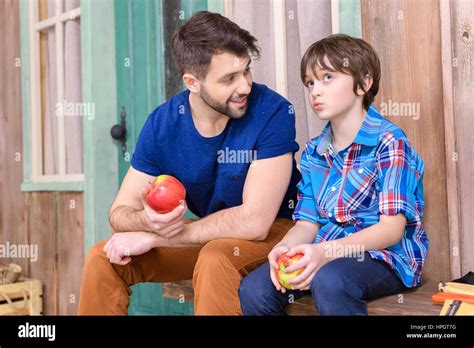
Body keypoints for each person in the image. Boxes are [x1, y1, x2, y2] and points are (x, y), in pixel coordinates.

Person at [77, 11, 301, 315]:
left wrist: (155, 237)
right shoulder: (163, 124)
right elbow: (119, 213)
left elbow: (255, 222)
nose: (246, 86)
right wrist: (148, 222)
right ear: (192, 82)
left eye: (246, 71)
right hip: (208, 235)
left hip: (279, 231)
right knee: (103, 257)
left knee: (215, 257)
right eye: (229, 79)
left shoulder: (273, 112)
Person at [239, 34, 428, 316]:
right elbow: (308, 224)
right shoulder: (314, 151)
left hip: (384, 257)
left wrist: (326, 253)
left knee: (331, 281)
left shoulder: (389, 141)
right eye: (310, 83)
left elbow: (391, 229)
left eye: (328, 78)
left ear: (364, 83)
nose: (315, 91)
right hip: (325, 253)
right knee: (255, 288)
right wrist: (284, 248)